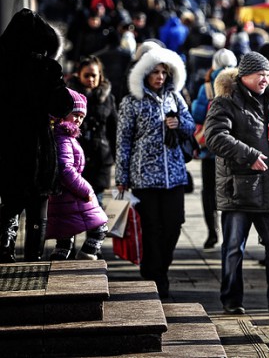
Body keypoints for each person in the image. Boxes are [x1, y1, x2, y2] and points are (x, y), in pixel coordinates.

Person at [204, 51, 269, 316]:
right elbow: (214, 137)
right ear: (244, 75)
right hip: (238, 189)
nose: (264, 79)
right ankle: (231, 298)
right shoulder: (225, 102)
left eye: (267, 74)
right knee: (235, 247)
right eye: (260, 74)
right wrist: (248, 155)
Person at [115, 46, 195, 298]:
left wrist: (179, 123)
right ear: (145, 74)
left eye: (164, 72)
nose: (160, 77)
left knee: (174, 225)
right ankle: (155, 276)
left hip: (174, 175)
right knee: (150, 228)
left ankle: (159, 268)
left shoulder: (175, 97)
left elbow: (191, 125)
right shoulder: (131, 101)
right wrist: (121, 177)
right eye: (155, 72)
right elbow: (123, 140)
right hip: (144, 177)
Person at [0, 8, 73, 263]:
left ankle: (5, 249)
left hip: (7, 145)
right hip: (38, 148)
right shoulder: (45, 68)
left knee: (10, 202)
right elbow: (63, 105)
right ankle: (33, 258)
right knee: (37, 206)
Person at [46, 89, 109, 260]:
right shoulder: (63, 138)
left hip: (64, 195)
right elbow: (66, 170)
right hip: (71, 194)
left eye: (82, 117)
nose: (79, 120)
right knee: (100, 226)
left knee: (65, 239)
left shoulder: (64, 135)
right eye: (75, 115)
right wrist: (86, 190)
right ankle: (88, 254)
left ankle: (60, 264)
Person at [191, 48, 238, 250]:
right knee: (231, 192)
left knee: (209, 191)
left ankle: (212, 231)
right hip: (232, 147)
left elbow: (198, 115)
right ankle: (230, 233)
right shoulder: (239, 81)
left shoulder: (207, 86)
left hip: (210, 148)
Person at [66, 56, 118, 206]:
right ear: (79, 75)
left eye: (94, 75)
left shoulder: (107, 98)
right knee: (74, 209)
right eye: (86, 75)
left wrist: (118, 161)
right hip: (75, 160)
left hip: (100, 160)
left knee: (96, 208)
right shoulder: (70, 98)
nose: (90, 79)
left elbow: (114, 130)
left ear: (100, 76)